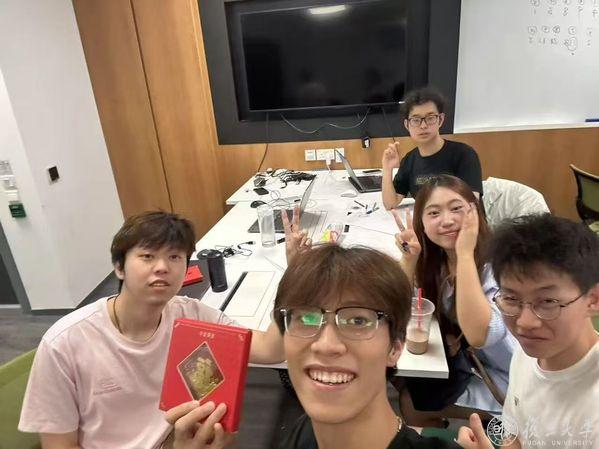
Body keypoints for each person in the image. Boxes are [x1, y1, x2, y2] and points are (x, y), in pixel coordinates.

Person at [19, 211, 284, 449]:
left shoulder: (190, 314)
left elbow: (270, 349)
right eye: (147, 256)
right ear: (119, 268)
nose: (162, 267)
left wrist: (295, 272)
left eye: (174, 257)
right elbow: (59, 445)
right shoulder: (65, 343)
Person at [273, 244, 461, 449]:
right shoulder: (304, 431)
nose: (326, 345)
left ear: (395, 347)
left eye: (358, 321)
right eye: (307, 318)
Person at [457, 214, 599, 449]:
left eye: (548, 301)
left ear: (593, 300)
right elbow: (515, 437)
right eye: (511, 299)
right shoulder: (526, 355)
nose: (525, 323)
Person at [395, 175, 516, 427]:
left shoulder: (498, 266)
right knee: (401, 381)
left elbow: (483, 335)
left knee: (409, 403)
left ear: (475, 212)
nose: (447, 220)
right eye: (434, 213)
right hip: (474, 364)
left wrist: (465, 254)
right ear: (422, 223)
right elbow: (398, 303)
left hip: (513, 379)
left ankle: (502, 427)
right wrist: (410, 259)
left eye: (456, 208)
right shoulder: (437, 262)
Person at [381, 87, 483, 210]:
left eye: (430, 118)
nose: (423, 125)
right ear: (407, 125)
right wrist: (387, 169)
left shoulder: (464, 154)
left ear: (440, 120)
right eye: (416, 120)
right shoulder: (409, 160)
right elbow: (390, 203)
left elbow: (471, 206)